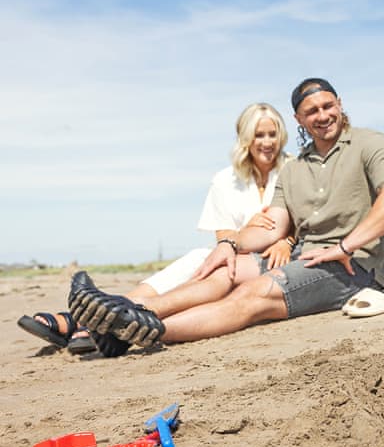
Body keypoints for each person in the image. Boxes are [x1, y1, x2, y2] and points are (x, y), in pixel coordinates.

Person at [66, 77, 384, 355]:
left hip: (353, 267)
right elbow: (272, 226)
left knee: (252, 295)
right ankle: (126, 314)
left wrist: (346, 246)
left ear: (339, 105)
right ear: (299, 119)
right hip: (302, 257)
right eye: (312, 111)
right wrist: (230, 243)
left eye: (328, 106)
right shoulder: (294, 168)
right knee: (221, 271)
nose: (322, 116)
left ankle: (146, 329)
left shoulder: (369, 142)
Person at [18, 102, 291, 355]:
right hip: (236, 258)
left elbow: (310, 219)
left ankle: (80, 320)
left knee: (202, 262)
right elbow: (224, 240)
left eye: (272, 134)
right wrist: (248, 229)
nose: (267, 143)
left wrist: (285, 240)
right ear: (245, 138)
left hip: (269, 261)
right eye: (259, 135)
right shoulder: (224, 180)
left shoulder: (293, 169)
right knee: (200, 258)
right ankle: (93, 318)